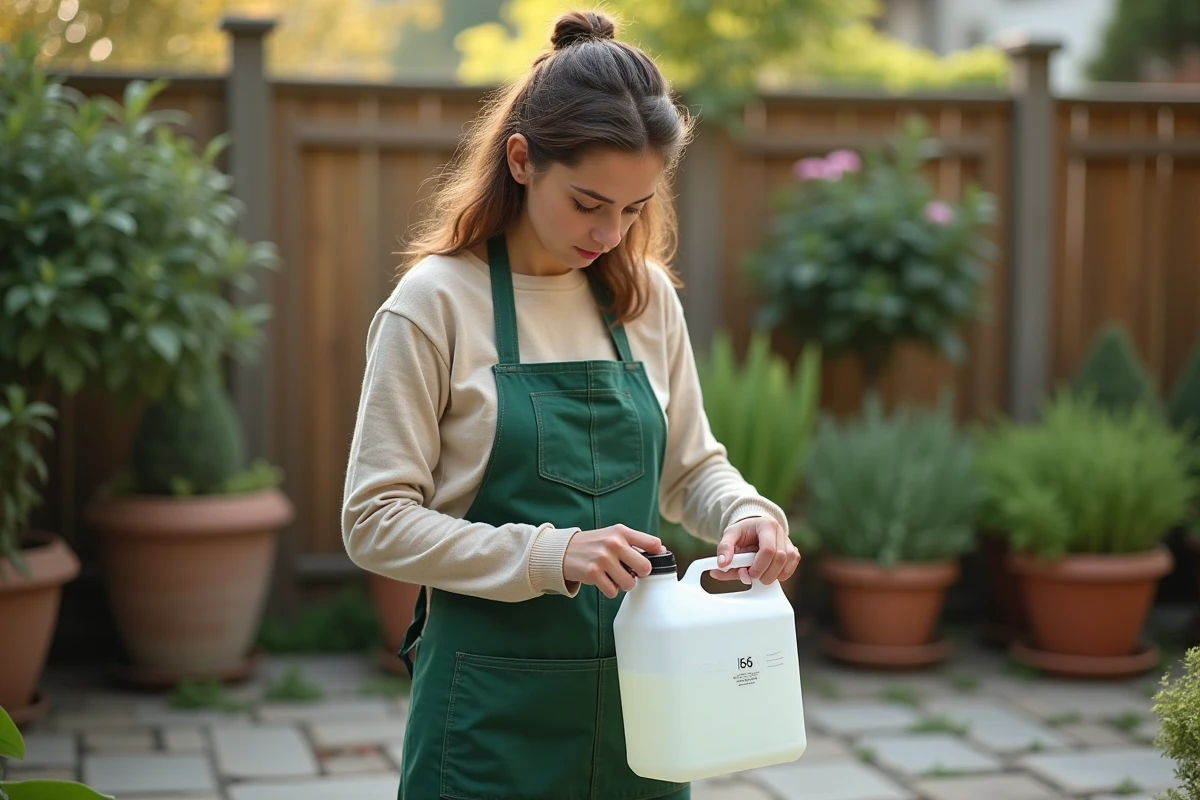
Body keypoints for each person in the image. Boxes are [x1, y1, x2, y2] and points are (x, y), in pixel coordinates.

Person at [341, 9, 800, 799]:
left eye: (632, 208)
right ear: (522, 160)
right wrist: (548, 554)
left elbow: (691, 468)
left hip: (649, 707)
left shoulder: (642, 295)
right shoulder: (435, 304)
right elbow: (374, 519)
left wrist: (744, 511)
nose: (611, 232)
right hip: (487, 714)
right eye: (589, 203)